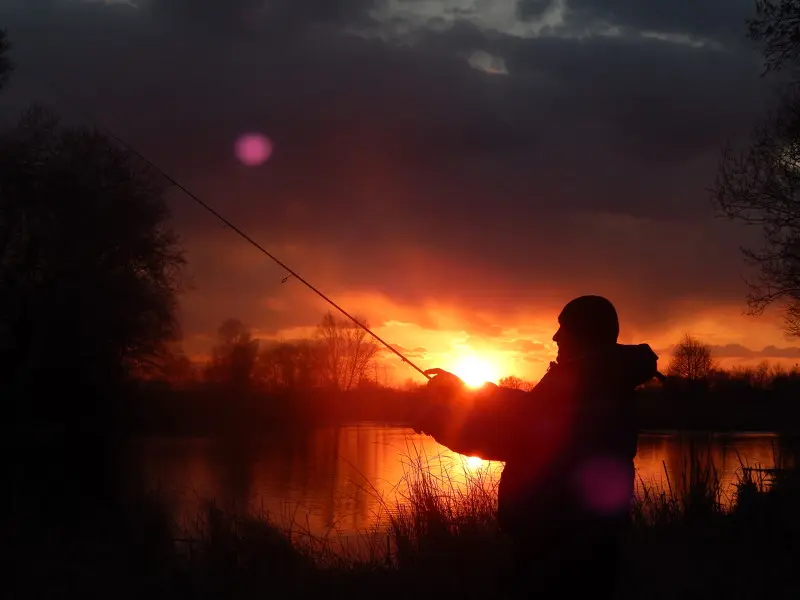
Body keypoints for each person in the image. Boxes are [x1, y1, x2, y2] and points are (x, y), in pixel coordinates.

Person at [414, 295, 660, 599]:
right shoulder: (601, 379)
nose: (555, 337)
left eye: (563, 329)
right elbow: (526, 408)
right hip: (587, 540)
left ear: (584, 335)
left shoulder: (586, 389)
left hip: (558, 544)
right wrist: (464, 389)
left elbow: (513, 437)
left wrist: (436, 420)